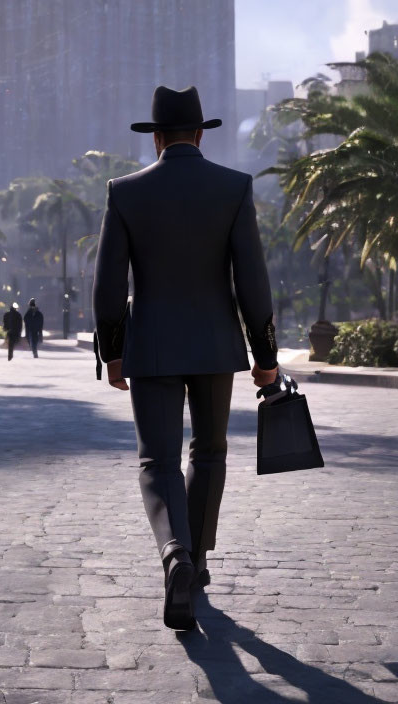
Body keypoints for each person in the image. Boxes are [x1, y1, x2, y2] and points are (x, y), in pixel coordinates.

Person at [93, 86, 279, 631]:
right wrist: (264, 356)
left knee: (157, 460)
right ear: (200, 134)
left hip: (150, 346)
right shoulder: (233, 188)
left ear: (155, 140)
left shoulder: (124, 193)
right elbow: (253, 281)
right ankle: (194, 565)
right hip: (216, 346)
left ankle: (175, 554)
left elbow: (108, 286)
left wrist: (113, 351)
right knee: (210, 451)